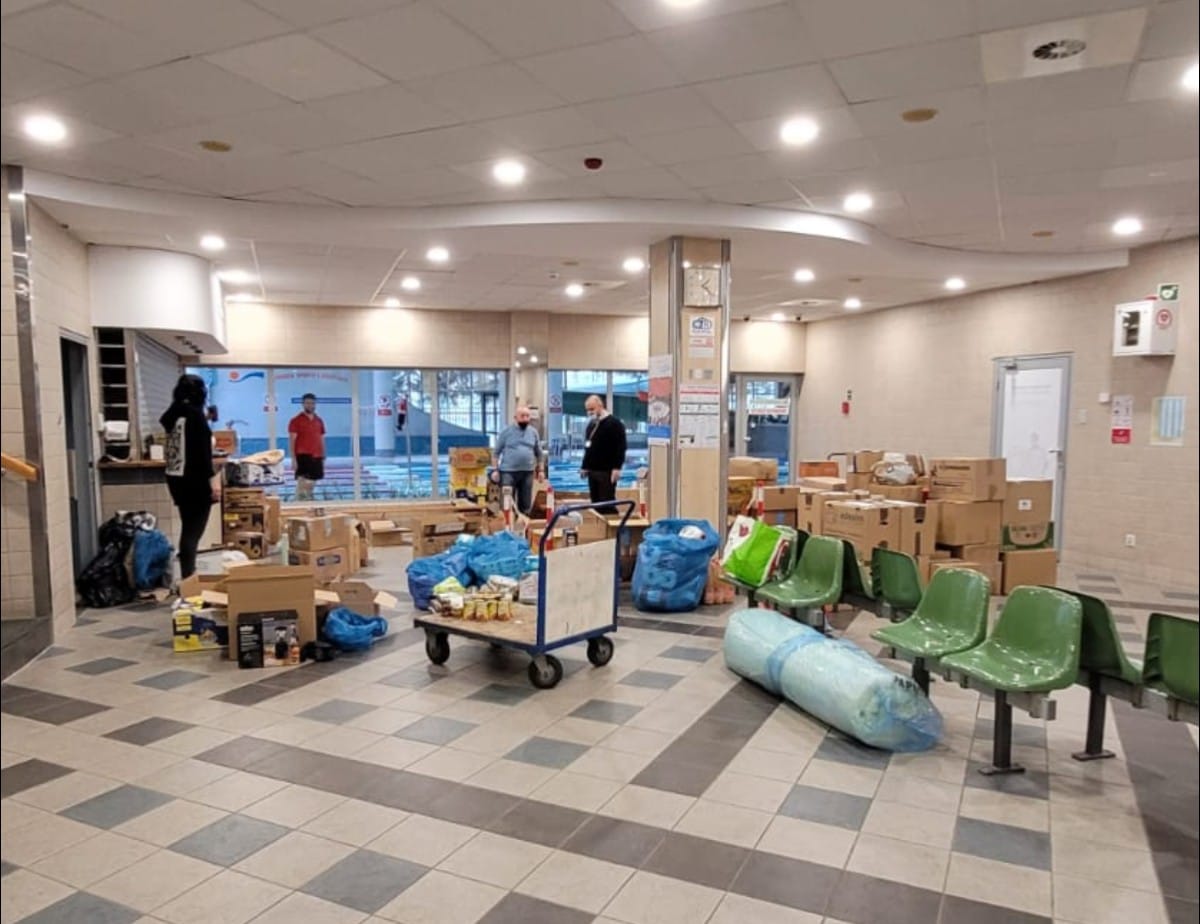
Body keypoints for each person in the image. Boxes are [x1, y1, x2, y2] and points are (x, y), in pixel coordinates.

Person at [160, 373, 219, 580]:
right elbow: (203, 455)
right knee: (193, 533)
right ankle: (188, 578)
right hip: (195, 480)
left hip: (176, 478)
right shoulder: (196, 417)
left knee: (188, 527)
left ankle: (187, 575)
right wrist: (213, 483)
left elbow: (182, 434)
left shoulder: (174, 413)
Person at [492, 405, 542, 515]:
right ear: (515, 417)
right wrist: (495, 470)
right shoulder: (506, 432)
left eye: (527, 416)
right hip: (508, 472)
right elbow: (496, 453)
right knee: (507, 504)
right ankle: (507, 523)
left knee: (525, 504)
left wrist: (541, 470)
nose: (525, 419)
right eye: (522, 416)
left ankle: (523, 523)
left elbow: (539, 453)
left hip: (527, 472)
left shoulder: (533, 432)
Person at [580, 394, 626, 511]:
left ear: (600, 406)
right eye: (587, 410)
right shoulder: (591, 425)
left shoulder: (615, 424)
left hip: (607, 471)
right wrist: (584, 466)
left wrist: (617, 468)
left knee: (607, 503)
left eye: (592, 409)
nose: (589, 412)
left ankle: (614, 523)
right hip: (593, 471)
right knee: (595, 503)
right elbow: (588, 447)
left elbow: (621, 447)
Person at [288, 392, 326, 501]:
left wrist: (323, 456)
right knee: (303, 483)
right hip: (303, 456)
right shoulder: (295, 420)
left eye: (312, 403)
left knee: (312, 483)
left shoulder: (319, 421)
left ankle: (308, 502)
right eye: (307, 403)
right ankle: (298, 504)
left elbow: (321, 439)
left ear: (315, 404)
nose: (310, 405)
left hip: (317, 455)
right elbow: (292, 441)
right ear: (303, 404)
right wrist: (293, 459)